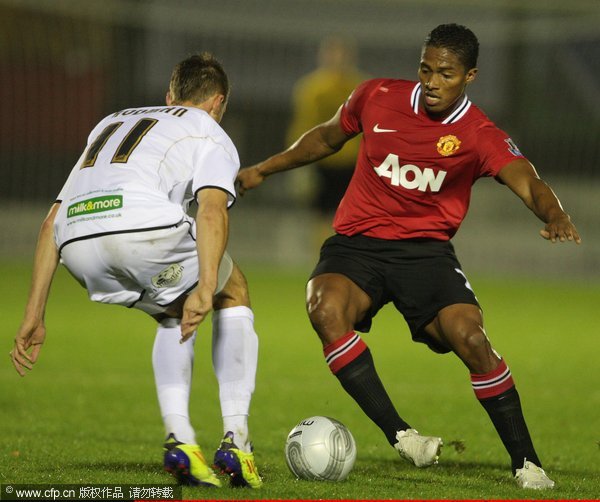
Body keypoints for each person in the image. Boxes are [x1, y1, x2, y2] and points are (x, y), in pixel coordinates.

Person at [237, 24, 581, 489]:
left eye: (446, 73)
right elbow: (325, 137)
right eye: (426, 69)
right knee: (324, 306)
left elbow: (526, 178)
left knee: (471, 340)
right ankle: (402, 436)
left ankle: (527, 462)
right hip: (358, 244)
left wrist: (555, 213)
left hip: (426, 256)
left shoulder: (478, 133)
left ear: (469, 76)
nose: (433, 81)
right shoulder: (376, 96)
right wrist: (263, 168)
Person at [10, 52, 262, 489]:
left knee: (169, 308)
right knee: (233, 287)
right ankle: (237, 442)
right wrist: (206, 286)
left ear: (170, 97)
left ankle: (181, 439)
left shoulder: (111, 122)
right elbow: (211, 210)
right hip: (140, 228)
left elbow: (50, 221)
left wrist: (34, 314)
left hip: (77, 244)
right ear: (219, 102)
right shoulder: (209, 131)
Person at [286, 36, 367, 246]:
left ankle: (349, 257)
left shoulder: (360, 87)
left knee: (354, 215)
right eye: (333, 54)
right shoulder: (311, 89)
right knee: (321, 216)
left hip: (354, 163)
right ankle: (324, 256)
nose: (337, 60)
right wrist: (299, 164)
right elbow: (303, 125)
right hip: (324, 161)